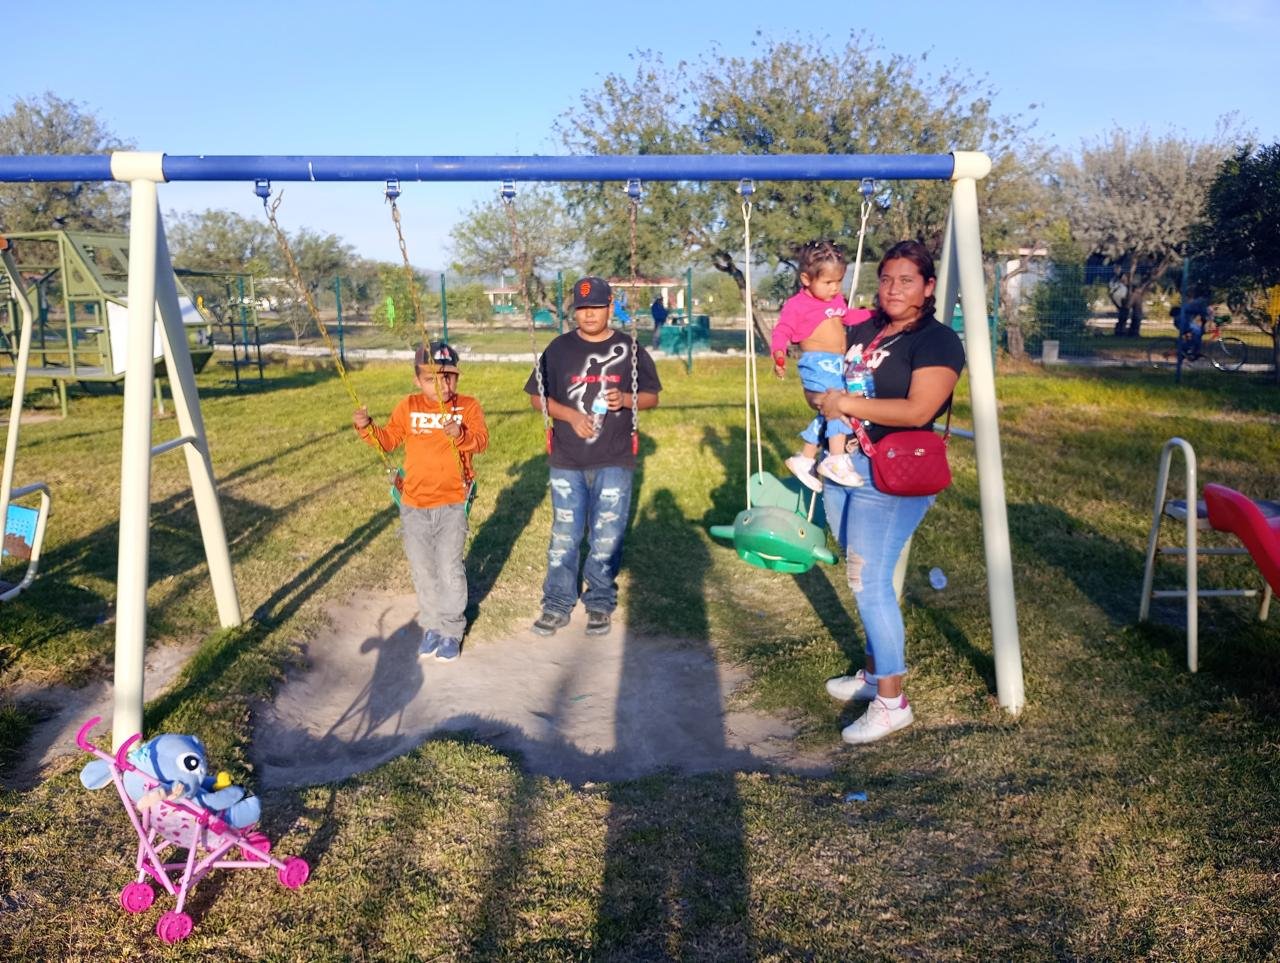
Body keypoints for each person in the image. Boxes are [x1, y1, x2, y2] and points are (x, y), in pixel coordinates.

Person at [813, 240, 965, 745]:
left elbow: (918, 410)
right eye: (885, 279)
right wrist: (821, 394)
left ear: (928, 286)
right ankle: (875, 672)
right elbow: (824, 368)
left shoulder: (938, 341)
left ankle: (892, 703)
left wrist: (845, 403)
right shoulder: (866, 329)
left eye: (906, 280)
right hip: (845, 463)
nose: (893, 289)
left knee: (869, 579)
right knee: (859, 570)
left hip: (894, 470)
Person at [524, 276, 662, 638]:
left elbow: (652, 396)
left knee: (607, 533)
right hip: (567, 459)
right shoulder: (559, 349)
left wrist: (626, 399)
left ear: (610, 306)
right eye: (582, 308)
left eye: (596, 307)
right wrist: (570, 416)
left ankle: (599, 600)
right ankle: (557, 602)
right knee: (565, 534)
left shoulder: (629, 348)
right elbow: (537, 398)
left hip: (614, 457)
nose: (588, 315)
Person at [353, 341, 488, 662]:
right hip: (413, 504)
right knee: (423, 569)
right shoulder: (409, 406)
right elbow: (387, 440)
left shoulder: (467, 406)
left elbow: (481, 442)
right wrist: (366, 428)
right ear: (417, 380)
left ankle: (452, 629)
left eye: (449, 377)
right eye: (431, 379)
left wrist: (461, 435)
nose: (442, 386)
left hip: (452, 502)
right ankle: (432, 626)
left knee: (449, 567)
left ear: (457, 376)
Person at [771, 240, 874, 491]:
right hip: (817, 361)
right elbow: (782, 330)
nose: (835, 288)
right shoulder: (798, 305)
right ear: (806, 279)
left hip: (837, 363)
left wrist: (874, 314)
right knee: (838, 403)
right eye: (828, 282)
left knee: (829, 408)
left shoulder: (835, 300)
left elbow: (848, 317)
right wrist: (779, 354)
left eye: (839, 281)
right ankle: (836, 459)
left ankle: (805, 458)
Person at [1175, 292, 1212, 358]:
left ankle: (1191, 350)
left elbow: (1203, 315)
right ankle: (1191, 351)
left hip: (1181, 320)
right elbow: (1204, 314)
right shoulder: (1201, 301)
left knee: (1197, 332)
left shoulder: (1197, 301)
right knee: (1198, 332)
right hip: (1182, 321)